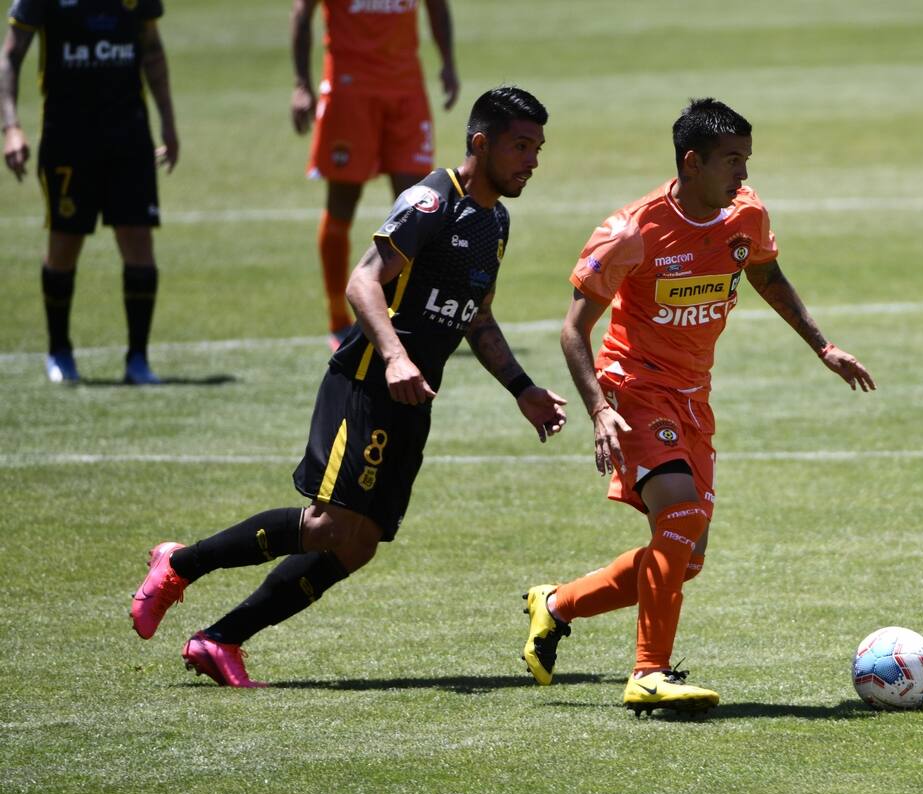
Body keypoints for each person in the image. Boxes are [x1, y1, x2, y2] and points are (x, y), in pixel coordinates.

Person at [131, 87, 566, 687]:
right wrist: (394, 357)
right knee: (329, 526)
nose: (533, 161)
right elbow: (363, 283)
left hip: (414, 395)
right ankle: (180, 563)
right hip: (368, 379)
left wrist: (522, 388)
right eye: (521, 146)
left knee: (357, 544)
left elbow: (478, 316)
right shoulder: (432, 200)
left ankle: (219, 639)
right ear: (481, 143)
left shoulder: (495, 222)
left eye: (538, 148)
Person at [522, 98, 876, 716]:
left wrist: (824, 346)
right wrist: (600, 410)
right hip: (634, 386)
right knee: (680, 515)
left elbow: (767, 275)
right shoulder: (631, 232)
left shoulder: (746, 215)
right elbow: (573, 331)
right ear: (693, 162)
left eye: (747, 159)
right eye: (732, 160)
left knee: (685, 558)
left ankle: (556, 605)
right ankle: (649, 673)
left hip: (692, 396)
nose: (744, 173)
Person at [2, 0, 179, 384]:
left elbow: (151, 49)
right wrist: (11, 127)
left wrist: (168, 121)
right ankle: (59, 351)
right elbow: (10, 56)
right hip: (67, 137)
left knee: (139, 242)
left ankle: (138, 360)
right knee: (64, 245)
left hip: (129, 133)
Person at [291, 0, 460, 351]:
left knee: (421, 207)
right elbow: (301, 14)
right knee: (342, 203)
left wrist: (448, 63)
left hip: (406, 90)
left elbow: (437, 7)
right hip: (349, 90)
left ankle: (409, 316)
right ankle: (338, 320)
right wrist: (301, 83)